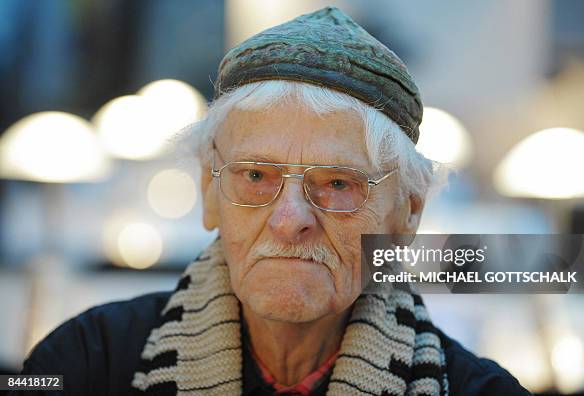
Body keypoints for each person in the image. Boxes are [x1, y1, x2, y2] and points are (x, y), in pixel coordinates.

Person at [15, 7, 530, 396]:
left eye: (338, 184)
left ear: (407, 213)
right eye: (256, 175)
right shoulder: (83, 361)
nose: (289, 221)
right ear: (208, 193)